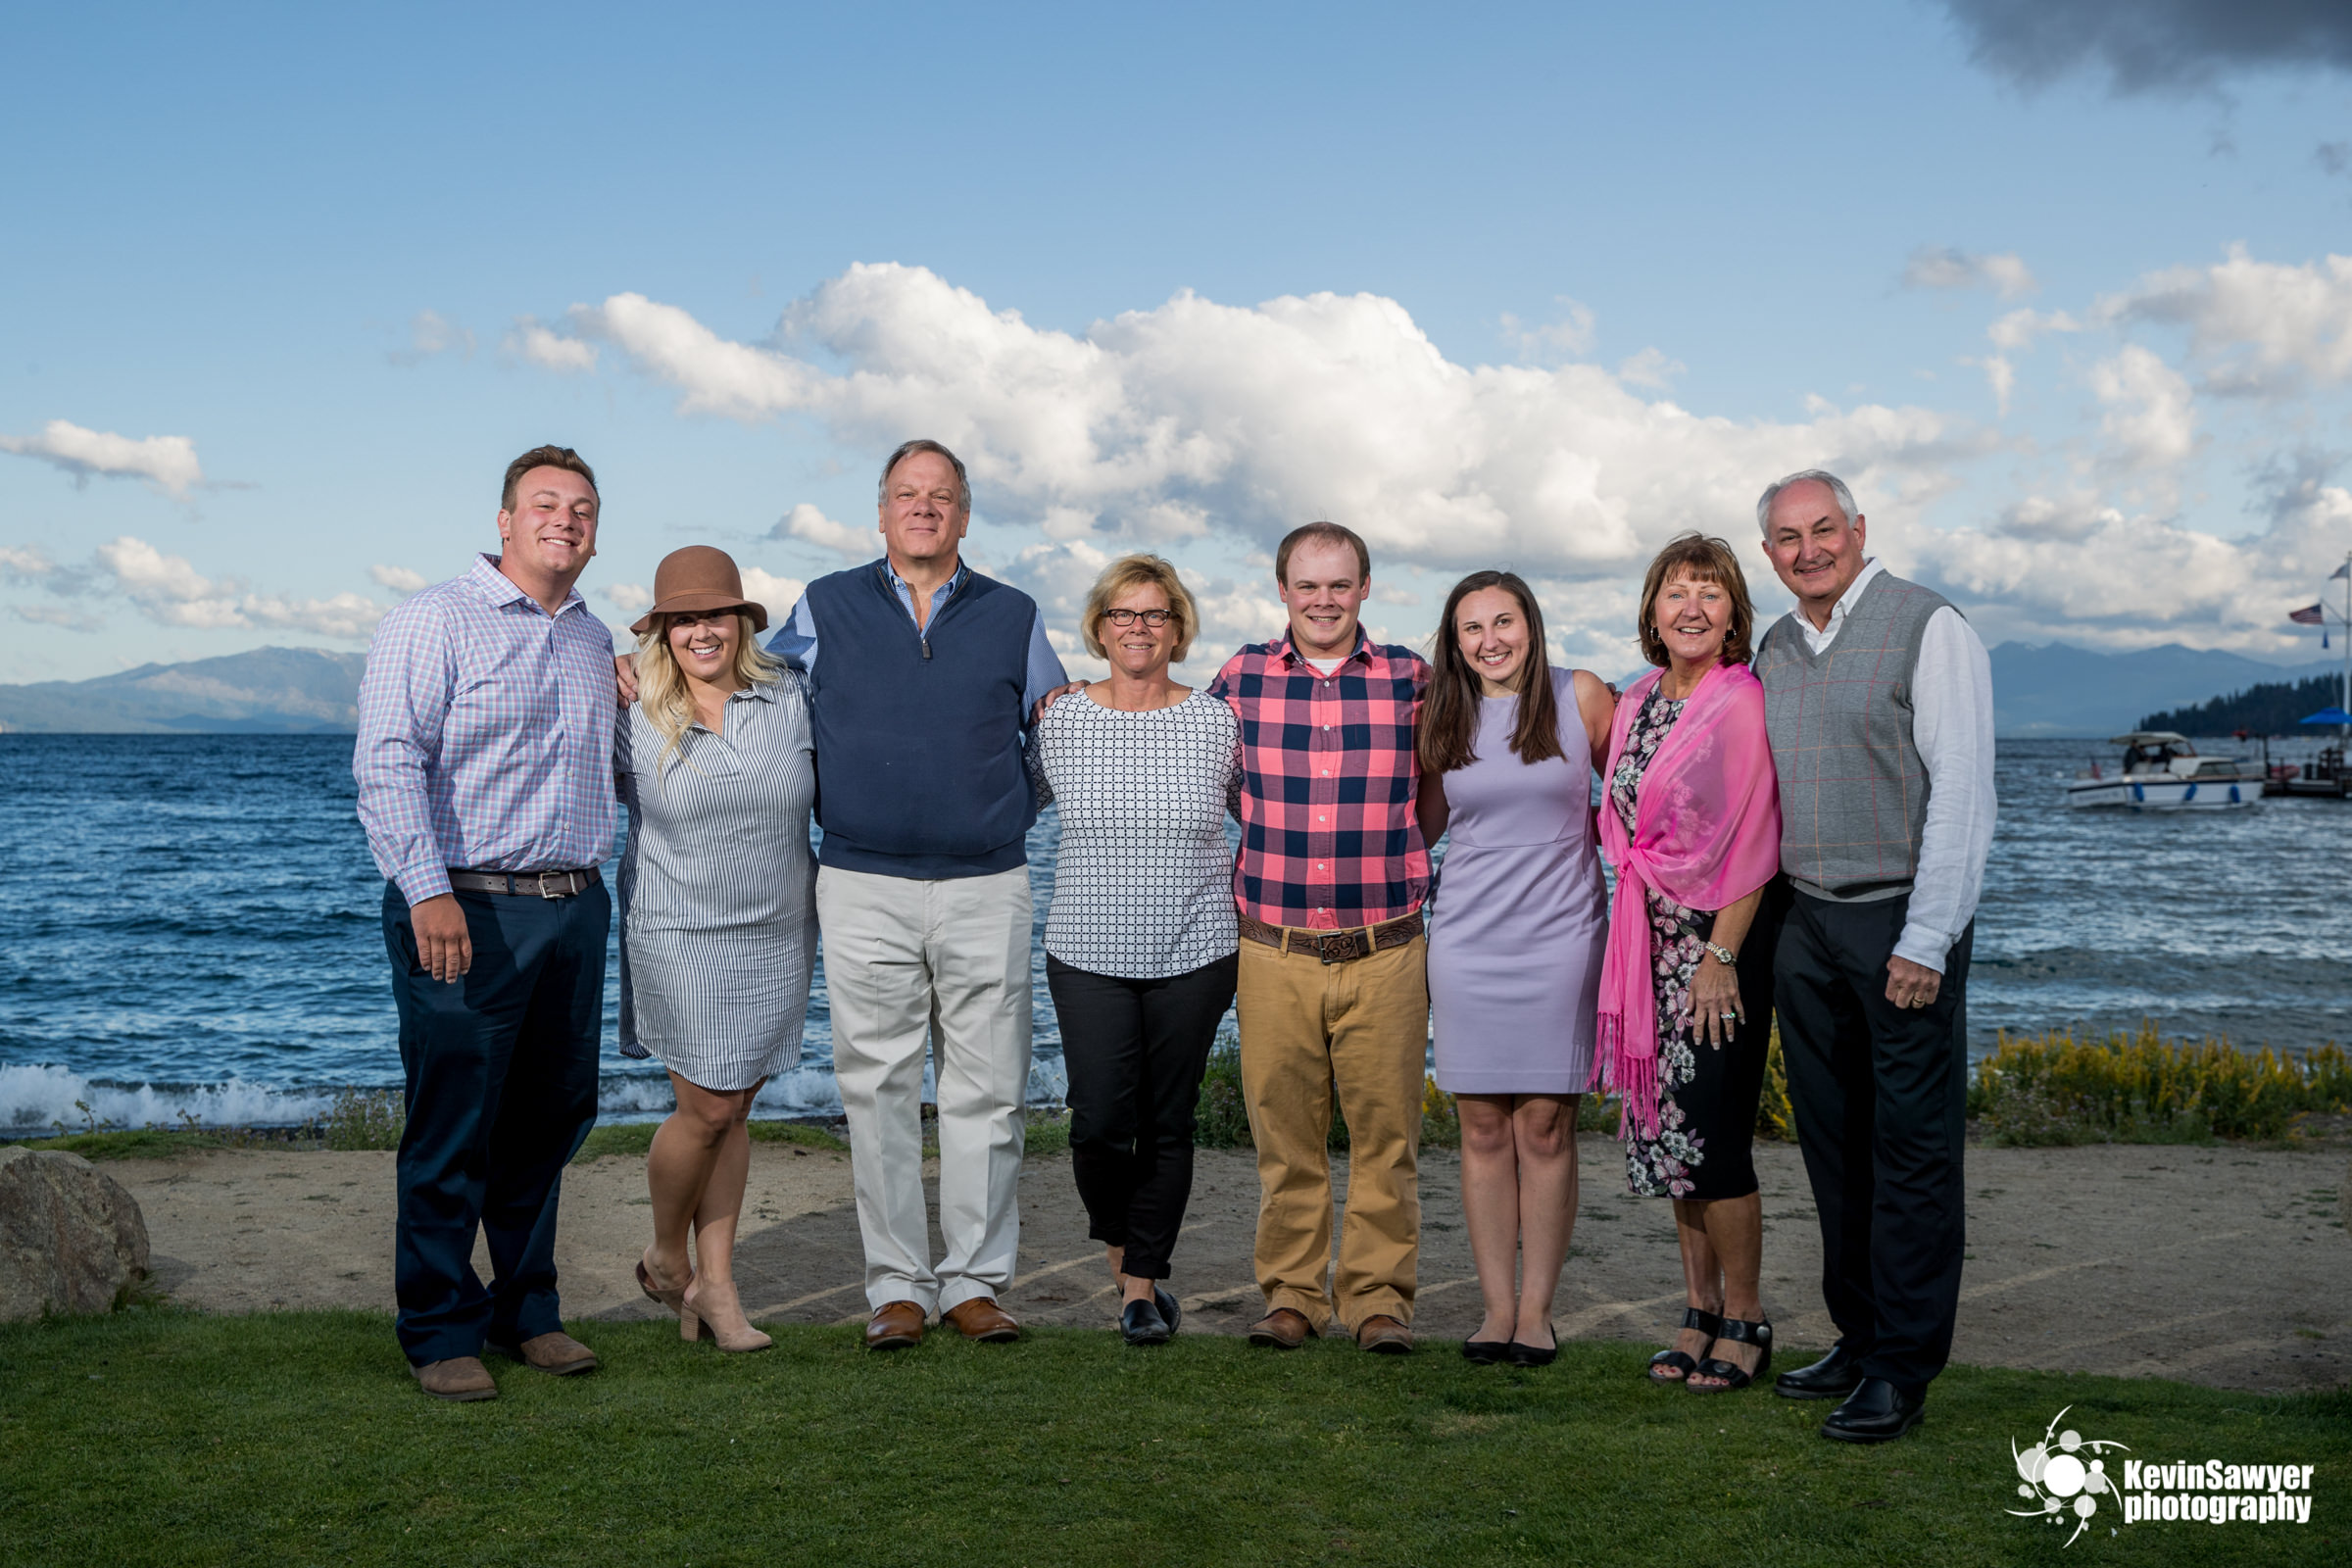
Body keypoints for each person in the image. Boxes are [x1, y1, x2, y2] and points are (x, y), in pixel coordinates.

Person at [769, 439, 1066, 1350]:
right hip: (861, 884)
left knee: (989, 1093)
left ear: (965, 515)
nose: (925, 508)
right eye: (908, 494)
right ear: (884, 510)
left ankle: (974, 1283)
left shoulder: (1014, 614)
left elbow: (1056, 733)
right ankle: (897, 1286)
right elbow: (756, 699)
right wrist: (644, 671)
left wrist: (1004, 804)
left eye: (942, 496)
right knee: (879, 1089)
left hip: (988, 884)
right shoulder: (823, 606)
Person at [354, 444, 614, 1401]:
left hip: (575, 905)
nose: (566, 519)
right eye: (545, 503)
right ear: (505, 520)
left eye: (583, 507)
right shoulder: (433, 621)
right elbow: (388, 762)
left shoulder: (593, 639)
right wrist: (425, 890)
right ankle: (437, 1326)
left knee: (549, 1121)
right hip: (461, 906)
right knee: (453, 1121)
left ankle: (528, 1310)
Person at [1751, 470, 1995, 1443]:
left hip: (1900, 924)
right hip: (1805, 921)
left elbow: (1965, 795)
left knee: (1913, 1152)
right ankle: (1859, 1336)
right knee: (1834, 1145)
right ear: (1767, 551)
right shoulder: (1776, 646)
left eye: (1823, 529)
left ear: (1859, 529)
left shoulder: (1927, 626)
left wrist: (1928, 937)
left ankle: (1902, 1367)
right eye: (1785, 537)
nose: (1807, 548)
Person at [1209, 521, 1433, 1355]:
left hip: (1386, 947)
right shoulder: (1241, 676)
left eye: (1340, 585)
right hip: (1275, 949)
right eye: (1308, 585)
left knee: (1388, 1139)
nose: (1324, 600)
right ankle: (1293, 1296)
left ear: (1365, 588)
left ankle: (1378, 1301)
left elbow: (1440, 785)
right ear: (1283, 592)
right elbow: (1200, 766)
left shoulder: (1412, 676)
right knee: (1286, 1139)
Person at [1031, 555, 1240, 1346]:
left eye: (1155, 614)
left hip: (1195, 948)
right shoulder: (1061, 721)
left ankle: (1140, 1292)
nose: (1139, 628)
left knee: (1167, 1122)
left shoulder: (1218, 722)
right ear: (1100, 627)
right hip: (1086, 950)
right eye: (1123, 614)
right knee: (1095, 1124)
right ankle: (1125, 1253)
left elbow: (1264, 815)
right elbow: (1005, 800)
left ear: (1177, 628)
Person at [1595, 532, 1785, 1394]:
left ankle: (1746, 1318)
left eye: (1710, 594)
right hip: (1645, 944)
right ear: (1653, 611)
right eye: (1677, 593)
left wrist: (1720, 957)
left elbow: (1755, 839)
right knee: (1672, 1144)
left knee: (1716, 1143)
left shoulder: (1738, 701)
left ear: (1734, 614)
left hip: (1715, 951)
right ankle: (1697, 1312)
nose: (1693, 609)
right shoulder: (1637, 700)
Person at [615, 546, 816, 1354]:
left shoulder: (791, 698)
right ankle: (668, 1257)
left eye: (716, 614)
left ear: (742, 623)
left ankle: (718, 1287)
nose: (703, 630)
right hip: (676, 931)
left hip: (777, 931)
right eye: (684, 618)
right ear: (662, 632)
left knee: (737, 1108)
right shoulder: (630, 709)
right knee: (705, 1108)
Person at [1414, 571, 1613, 1368]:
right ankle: (1495, 1309)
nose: (1490, 640)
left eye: (1504, 621)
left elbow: (1637, 801)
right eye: (1472, 628)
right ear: (1453, 641)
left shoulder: (1583, 696)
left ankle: (1538, 1313)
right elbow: (1423, 826)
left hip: (1563, 938)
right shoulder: (1444, 713)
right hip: (1465, 941)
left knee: (1545, 1124)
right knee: (1483, 1125)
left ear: (1531, 624)